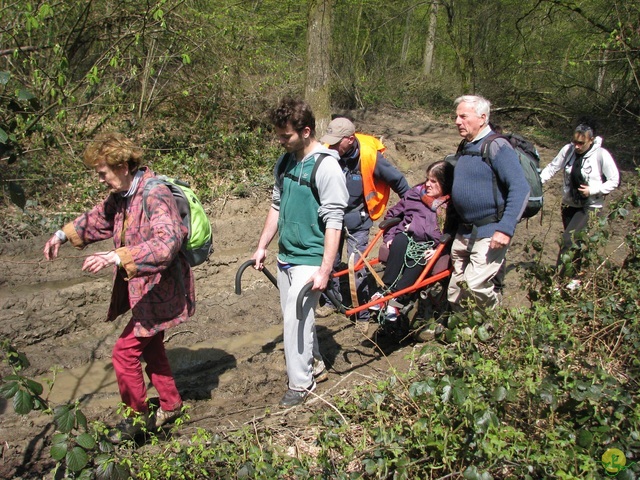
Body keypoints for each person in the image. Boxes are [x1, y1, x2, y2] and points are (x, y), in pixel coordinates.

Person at [43, 133, 193, 443]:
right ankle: (171, 404)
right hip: (144, 288)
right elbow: (99, 218)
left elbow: (168, 242)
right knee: (150, 347)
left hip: (162, 289)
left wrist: (117, 255)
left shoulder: (154, 194)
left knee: (124, 354)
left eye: (102, 173)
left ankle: (135, 418)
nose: (100, 180)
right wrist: (61, 235)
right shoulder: (123, 195)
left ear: (122, 166)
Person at [250, 98, 348, 407]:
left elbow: (335, 222)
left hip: (312, 258)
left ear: (305, 131)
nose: (280, 141)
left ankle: (301, 384)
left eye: (285, 136)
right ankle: (316, 365)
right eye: (278, 135)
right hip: (286, 255)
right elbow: (276, 206)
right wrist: (263, 245)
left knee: (294, 320)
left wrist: (325, 269)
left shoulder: (326, 166)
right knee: (299, 319)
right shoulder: (285, 161)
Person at [317, 117, 409, 335]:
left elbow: (400, 182)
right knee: (328, 262)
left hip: (358, 222)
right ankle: (332, 302)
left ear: (350, 139)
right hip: (331, 221)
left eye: (337, 141)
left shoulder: (370, 157)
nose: (332, 145)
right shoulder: (328, 153)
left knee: (356, 268)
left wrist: (411, 211)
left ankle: (363, 314)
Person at [447, 95, 529, 310]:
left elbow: (520, 188)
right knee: (456, 289)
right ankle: (461, 334)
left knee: (475, 286)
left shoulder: (497, 146)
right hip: (464, 231)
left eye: (463, 116)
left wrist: (506, 229)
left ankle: (493, 322)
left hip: (490, 231)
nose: (457, 121)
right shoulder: (465, 146)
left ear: (482, 118)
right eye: (457, 116)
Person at [368, 160, 453, 322]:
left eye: (433, 181)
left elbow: (453, 231)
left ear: (444, 183)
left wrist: (438, 250)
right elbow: (393, 214)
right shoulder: (415, 195)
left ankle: (398, 300)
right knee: (399, 241)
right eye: (427, 179)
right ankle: (385, 291)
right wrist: (390, 236)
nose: (427, 184)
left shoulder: (450, 205)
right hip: (408, 236)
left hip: (430, 245)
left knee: (419, 256)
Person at [540, 122, 619, 287]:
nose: (576, 146)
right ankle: (575, 279)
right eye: (574, 141)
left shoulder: (601, 155)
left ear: (590, 140)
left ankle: (559, 281)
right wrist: (537, 181)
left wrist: (593, 190)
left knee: (568, 239)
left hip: (590, 206)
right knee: (575, 242)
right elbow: (552, 167)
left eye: (581, 143)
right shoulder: (568, 150)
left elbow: (614, 180)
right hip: (568, 204)